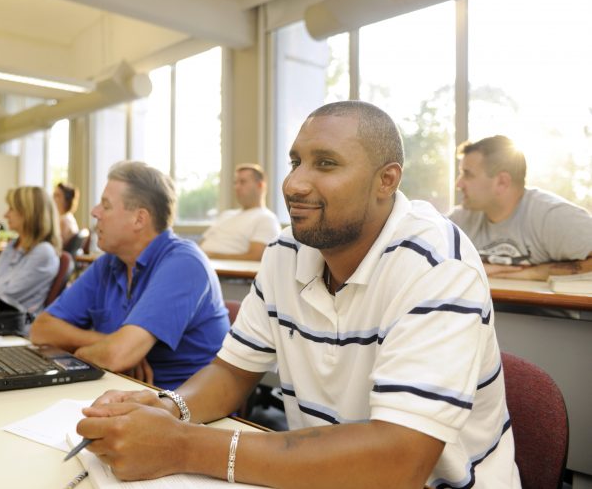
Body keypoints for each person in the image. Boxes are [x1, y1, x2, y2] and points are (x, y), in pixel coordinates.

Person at [72, 102, 520, 488]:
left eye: (325, 164)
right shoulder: (288, 250)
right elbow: (231, 373)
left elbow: (399, 462)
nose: (294, 184)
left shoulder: (437, 263)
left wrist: (182, 446)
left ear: (387, 181)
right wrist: (171, 409)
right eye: (295, 162)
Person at [30, 161, 229, 390]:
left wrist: (88, 350)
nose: (95, 212)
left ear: (139, 219)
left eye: (106, 206)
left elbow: (116, 356)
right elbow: (41, 329)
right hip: (120, 391)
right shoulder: (109, 263)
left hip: (181, 409)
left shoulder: (185, 263)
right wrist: (104, 342)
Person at [449, 135, 592, 280]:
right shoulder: (459, 220)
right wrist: (477, 269)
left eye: (467, 174)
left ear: (502, 182)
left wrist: (534, 273)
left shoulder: (553, 216)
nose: (458, 184)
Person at [0, 186, 60, 315]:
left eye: (11, 209)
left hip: (17, 326)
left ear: (28, 213)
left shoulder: (44, 252)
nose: (5, 215)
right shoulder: (13, 245)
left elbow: (6, 295)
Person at [199, 163, 281, 261]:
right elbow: (202, 243)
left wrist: (211, 256)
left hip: (227, 273)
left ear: (260, 185)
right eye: (235, 182)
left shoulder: (266, 218)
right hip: (202, 264)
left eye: (242, 182)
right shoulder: (226, 214)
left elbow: (256, 257)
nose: (237, 187)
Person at [53, 182, 80, 248]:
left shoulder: (64, 220)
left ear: (67, 200)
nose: (53, 198)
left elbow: (58, 246)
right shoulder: (69, 217)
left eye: (57, 195)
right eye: (54, 195)